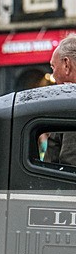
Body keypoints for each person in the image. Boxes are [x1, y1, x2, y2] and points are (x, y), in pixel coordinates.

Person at [44, 34, 76, 166]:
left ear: (66, 65)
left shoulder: (72, 104)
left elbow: (69, 161)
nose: (53, 76)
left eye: (53, 67)